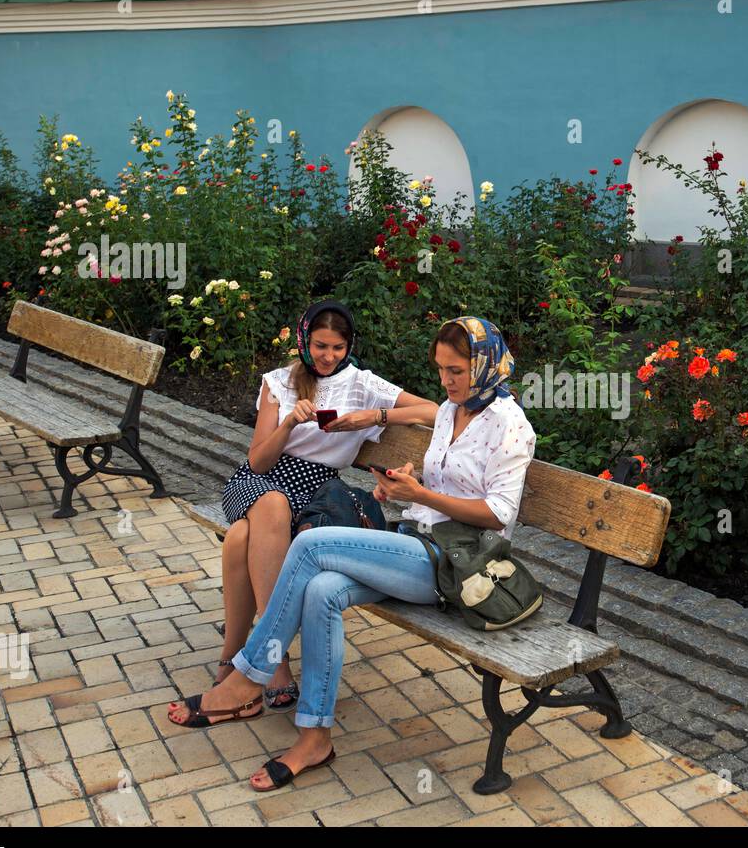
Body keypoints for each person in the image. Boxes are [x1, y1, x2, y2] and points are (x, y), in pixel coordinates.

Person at [168, 316, 536, 792]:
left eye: (457, 371)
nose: (446, 382)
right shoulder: (451, 409)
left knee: (309, 544)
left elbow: (498, 514)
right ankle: (314, 737)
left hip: (458, 566)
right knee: (321, 590)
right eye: (442, 370)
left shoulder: (510, 424)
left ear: (485, 365)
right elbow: (440, 486)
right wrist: (402, 488)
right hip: (418, 541)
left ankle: (247, 676)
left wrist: (421, 496)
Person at [214, 299, 437, 712]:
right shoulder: (278, 381)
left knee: (239, 538)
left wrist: (373, 417)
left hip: (318, 492)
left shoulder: (363, 383)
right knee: (273, 505)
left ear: (348, 345)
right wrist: (288, 423)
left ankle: (233, 659)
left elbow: (435, 410)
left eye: (337, 347)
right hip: (262, 481)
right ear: (304, 341)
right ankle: (273, 658)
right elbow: (258, 460)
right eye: (320, 346)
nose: (328, 356)